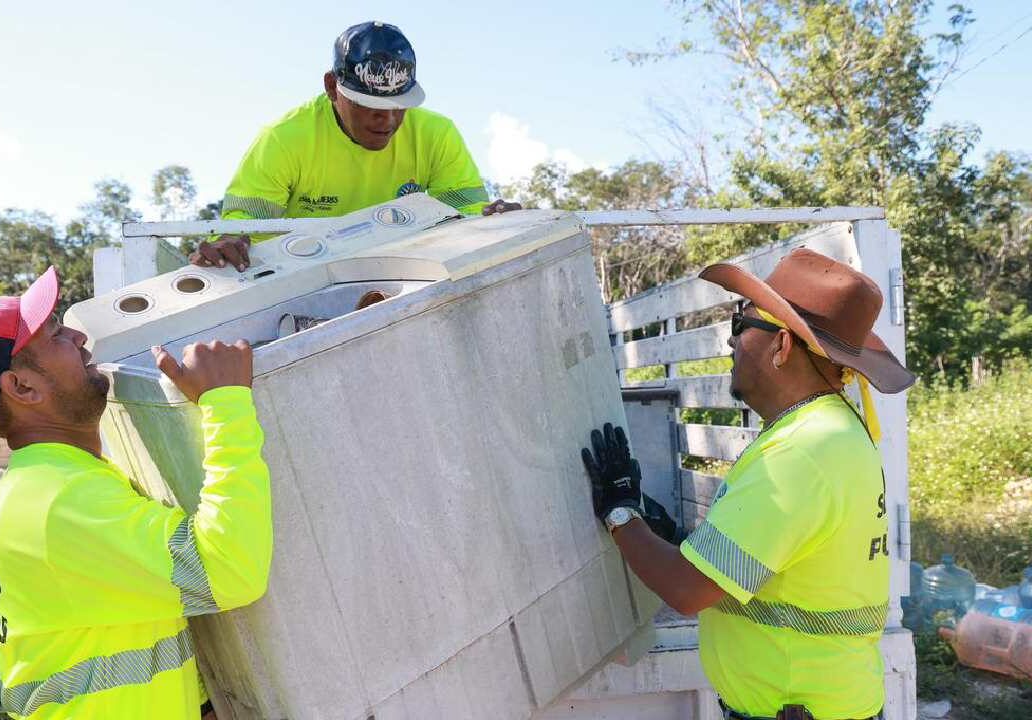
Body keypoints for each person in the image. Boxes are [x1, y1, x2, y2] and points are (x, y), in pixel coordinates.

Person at [0, 267, 272, 719]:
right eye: (54, 335)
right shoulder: (59, 500)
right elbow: (230, 573)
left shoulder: (60, 478)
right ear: (23, 387)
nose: (78, 338)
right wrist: (225, 402)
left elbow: (128, 627)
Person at [581, 249, 916, 720]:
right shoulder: (826, 431)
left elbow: (688, 591)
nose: (731, 343)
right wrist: (662, 531)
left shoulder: (803, 451)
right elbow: (768, 564)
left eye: (741, 326)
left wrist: (621, 514)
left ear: (781, 346)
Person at [191, 20, 521, 272]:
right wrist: (230, 243)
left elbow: (468, 218)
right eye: (368, 105)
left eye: (398, 105)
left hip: (408, 277)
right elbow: (244, 227)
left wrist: (495, 222)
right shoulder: (283, 139)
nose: (387, 120)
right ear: (332, 87)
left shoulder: (438, 134)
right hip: (305, 283)